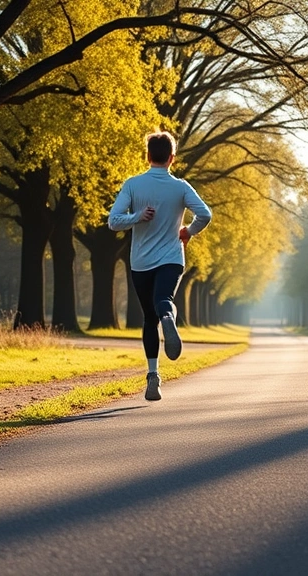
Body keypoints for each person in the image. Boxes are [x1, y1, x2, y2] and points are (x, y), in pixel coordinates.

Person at [108, 131, 212, 401]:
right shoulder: (180, 187)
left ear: (147, 155)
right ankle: (170, 317)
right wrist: (188, 231)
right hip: (171, 258)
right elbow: (205, 214)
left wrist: (138, 217)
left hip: (140, 262)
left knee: (148, 319)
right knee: (163, 300)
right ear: (172, 158)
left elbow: (114, 221)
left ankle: (153, 376)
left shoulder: (133, 185)